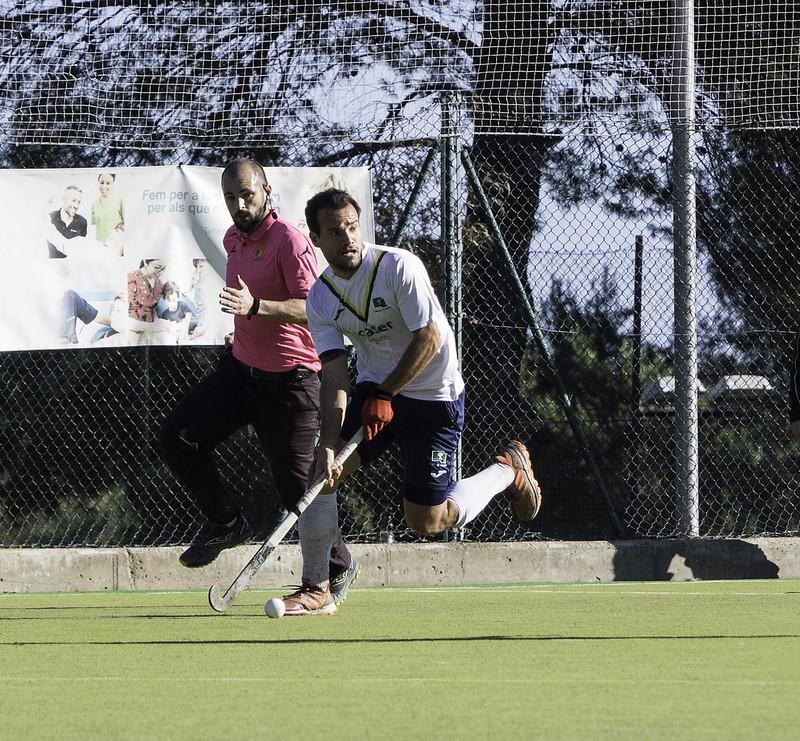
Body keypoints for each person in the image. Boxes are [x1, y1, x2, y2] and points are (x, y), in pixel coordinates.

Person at [292, 188, 542, 616]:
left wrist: (388, 395)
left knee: (427, 521)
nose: (348, 238)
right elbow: (333, 375)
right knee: (322, 473)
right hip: (377, 389)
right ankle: (318, 587)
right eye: (335, 232)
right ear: (316, 239)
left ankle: (506, 471)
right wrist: (330, 443)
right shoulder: (320, 298)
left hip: (432, 394)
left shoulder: (397, 266)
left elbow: (430, 337)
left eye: (353, 227)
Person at [158, 159, 358, 605]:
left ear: (266, 190)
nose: (239, 204)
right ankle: (226, 523)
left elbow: (314, 307)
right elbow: (247, 306)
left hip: (291, 381)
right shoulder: (233, 239)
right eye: (230, 197)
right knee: (178, 438)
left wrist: (256, 308)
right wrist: (245, 327)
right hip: (241, 371)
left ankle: (338, 566)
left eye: (247, 194)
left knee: (298, 493)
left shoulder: (289, 239)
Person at [46, 186, 87, 258]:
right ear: (64, 199)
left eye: (79, 202)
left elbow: (79, 251)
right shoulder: (50, 218)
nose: (76, 206)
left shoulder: (82, 222)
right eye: (74, 200)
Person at [90, 172, 125, 255]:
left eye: (108, 183)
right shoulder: (94, 204)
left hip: (115, 246)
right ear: (98, 183)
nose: (104, 186)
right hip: (99, 247)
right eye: (101, 183)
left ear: (113, 184)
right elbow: (93, 227)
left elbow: (127, 223)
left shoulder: (119, 200)